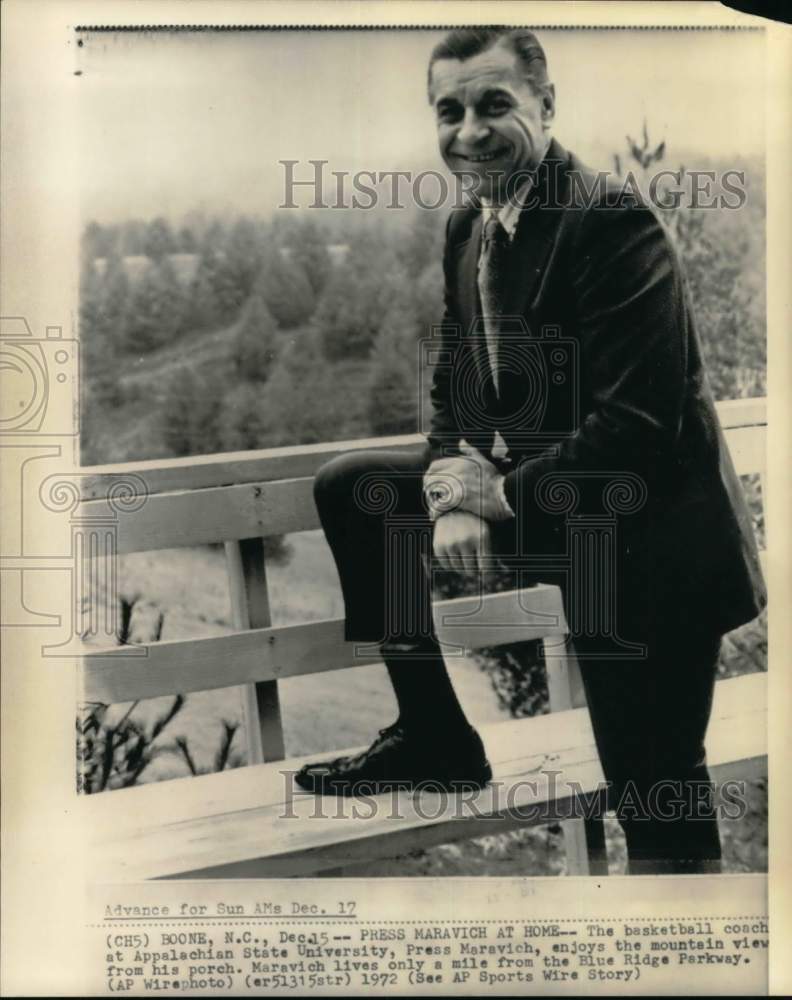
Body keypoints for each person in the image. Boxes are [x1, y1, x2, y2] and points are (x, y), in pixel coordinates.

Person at [294, 27, 766, 875]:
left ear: (547, 106)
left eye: (494, 104)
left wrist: (496, 499)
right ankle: (436, 735)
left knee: (654, 794)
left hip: (648, 542)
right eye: (449, 110)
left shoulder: (609, 219)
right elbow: (453, 377)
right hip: (563, 505)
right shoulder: (470, 226)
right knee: (356, 490)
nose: (468, 131)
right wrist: (446, 486)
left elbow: (637, 427)